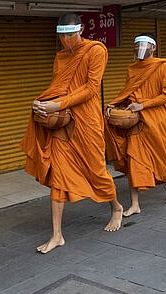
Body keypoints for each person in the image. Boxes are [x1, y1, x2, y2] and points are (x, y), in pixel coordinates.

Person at [20, 13, 123, 254]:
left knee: (96, 170)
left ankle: (116, 207)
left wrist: (57, 105)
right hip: (63, 124)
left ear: (81, 30)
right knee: (59, 175)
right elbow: (58, 87)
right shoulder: (60, 57)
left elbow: (90, 88)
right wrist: (43, 102)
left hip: (87, 121)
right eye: (62, 36)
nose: (66, 40)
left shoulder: (95, 50)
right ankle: (57, 235)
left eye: (70, 34)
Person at [104, 33, 166, 215]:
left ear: (153, 47)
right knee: (134, 160)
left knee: (165, 155)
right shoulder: (133, 68)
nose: (140, 48)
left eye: (145, 45)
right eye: (137, 45)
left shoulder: (164, 66)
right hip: (136, 121)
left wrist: (143, 104)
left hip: (158, 119)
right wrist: (115, 103)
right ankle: (135, 204)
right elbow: (128, 92)